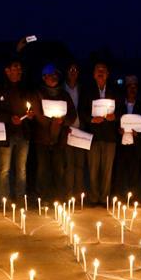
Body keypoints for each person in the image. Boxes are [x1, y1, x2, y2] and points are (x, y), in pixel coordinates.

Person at [29, 63, 76, 200]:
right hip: (42, 138)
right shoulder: (38, 93)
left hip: (59, 139)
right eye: (50, 75)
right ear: (44, 77)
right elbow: (37, 114)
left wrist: (63, 121)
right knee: (43, 170)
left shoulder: (64, 94)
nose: (54, 78)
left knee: (58, 169)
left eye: (56, 75)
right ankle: (44, 198)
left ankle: (58, 198)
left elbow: (72, 115)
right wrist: (52, 122)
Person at [79, 61, 121, 206]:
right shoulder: (87, 90)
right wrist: (91, 119)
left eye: (104, 70)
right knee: (93, 169)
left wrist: (115, 116)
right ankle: (93, 197)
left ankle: (104, 198)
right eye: (98, 70)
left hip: (110, 136)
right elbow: (82, 111)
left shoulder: (115, 90)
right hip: (93, 135)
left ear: (108, 74)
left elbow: (121, 110)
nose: (101, 72)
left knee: (107, 170)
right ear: (93, 74)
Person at [0, 59, 33, 203]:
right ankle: (4, 198)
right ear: (7, 71)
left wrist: (30, 114)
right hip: (5, 134)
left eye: (20, 68)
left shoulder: (25, 88)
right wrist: (10, 118)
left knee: (21, 169)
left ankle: (20, 197)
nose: (19, 71)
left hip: (23, 133)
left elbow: (30, 107)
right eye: (16, 67)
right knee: (4, 169)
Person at [115, 75, 141, 196]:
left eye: (135, 87)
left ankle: (133, 196)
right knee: (121, 171)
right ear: (126, 89)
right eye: (130, 87)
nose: (132, 90)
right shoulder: (120, 104)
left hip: (135, 144)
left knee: (135, 171)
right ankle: (120, 196)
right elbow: (115, 121)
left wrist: (139, 133)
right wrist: (118, 130)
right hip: (121, 144)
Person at [63, 61, 86, 199]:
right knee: (68, 164)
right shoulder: (62, 89)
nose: (73, 71)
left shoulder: (82, 88)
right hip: (67, 130)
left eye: (75, 69)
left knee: (80, 165)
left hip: (81, 130)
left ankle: (79, 195)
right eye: (70, 69)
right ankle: (68, 194)